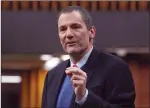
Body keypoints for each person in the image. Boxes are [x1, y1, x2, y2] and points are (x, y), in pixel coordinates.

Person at [42, 6, 135, 108]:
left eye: (75, 27)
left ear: (92, 32)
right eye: (63, 29)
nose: (68, 34)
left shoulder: (116, 67)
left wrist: (84, 97)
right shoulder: (52, 75)